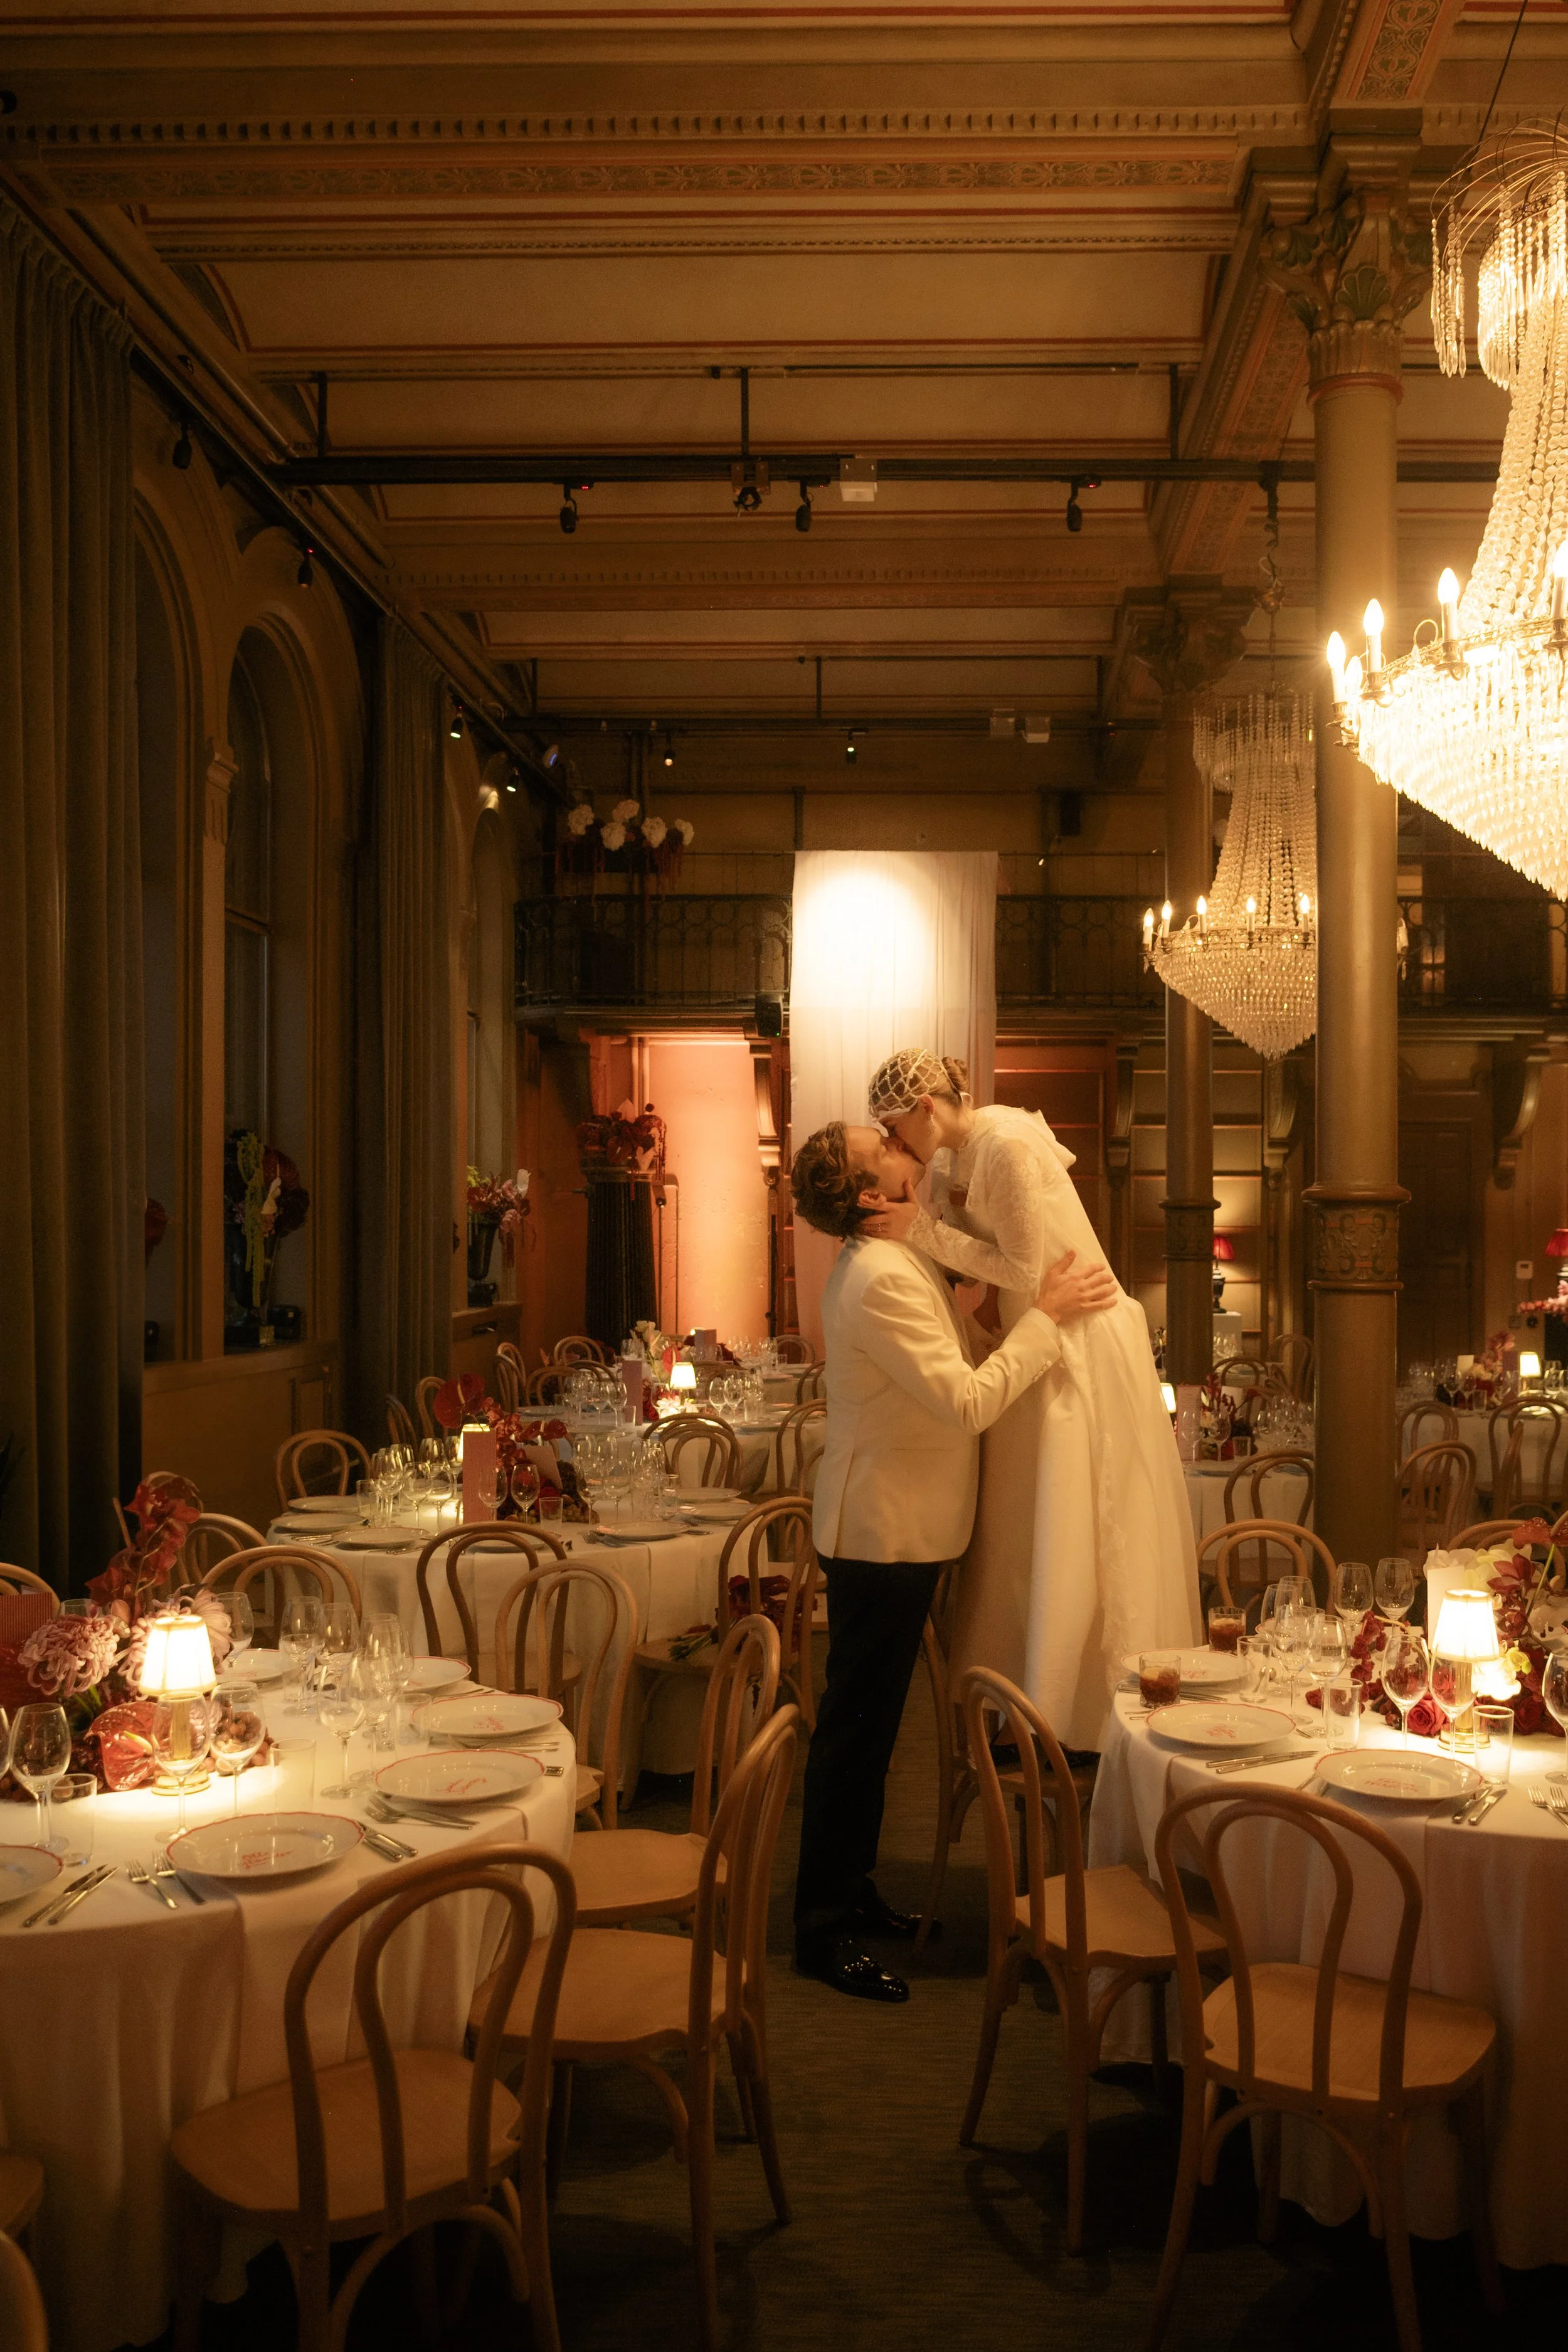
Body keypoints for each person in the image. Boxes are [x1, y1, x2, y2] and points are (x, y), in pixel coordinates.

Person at [788, 1117, 1118, 2003]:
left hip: (904, 1529)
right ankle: (819, 1930)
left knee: (876, 1731)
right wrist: (1045, 1318)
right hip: (882, 1534)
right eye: (883, 1146)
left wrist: (994, 1314)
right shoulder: (880, 1279)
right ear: (869, 1193)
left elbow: (959, 1359)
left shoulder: (895, 1262)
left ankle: (852, 1891)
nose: (902, 1144)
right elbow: (967, 1401)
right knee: (855, 1738)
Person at [862, 1047, 1201, 1752]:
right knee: (1025, 1518)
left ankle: (1084, 1704)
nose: (896, 1145)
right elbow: (988, 1264)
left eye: (896, 1129)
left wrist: (918, 1231)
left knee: (1074, 1513)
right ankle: (1029, 1695)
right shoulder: (956, 1157)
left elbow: (1020, 1264)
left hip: (1074, 1337)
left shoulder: (1007, 1145)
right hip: (1033, 1330)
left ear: (927, 1108)